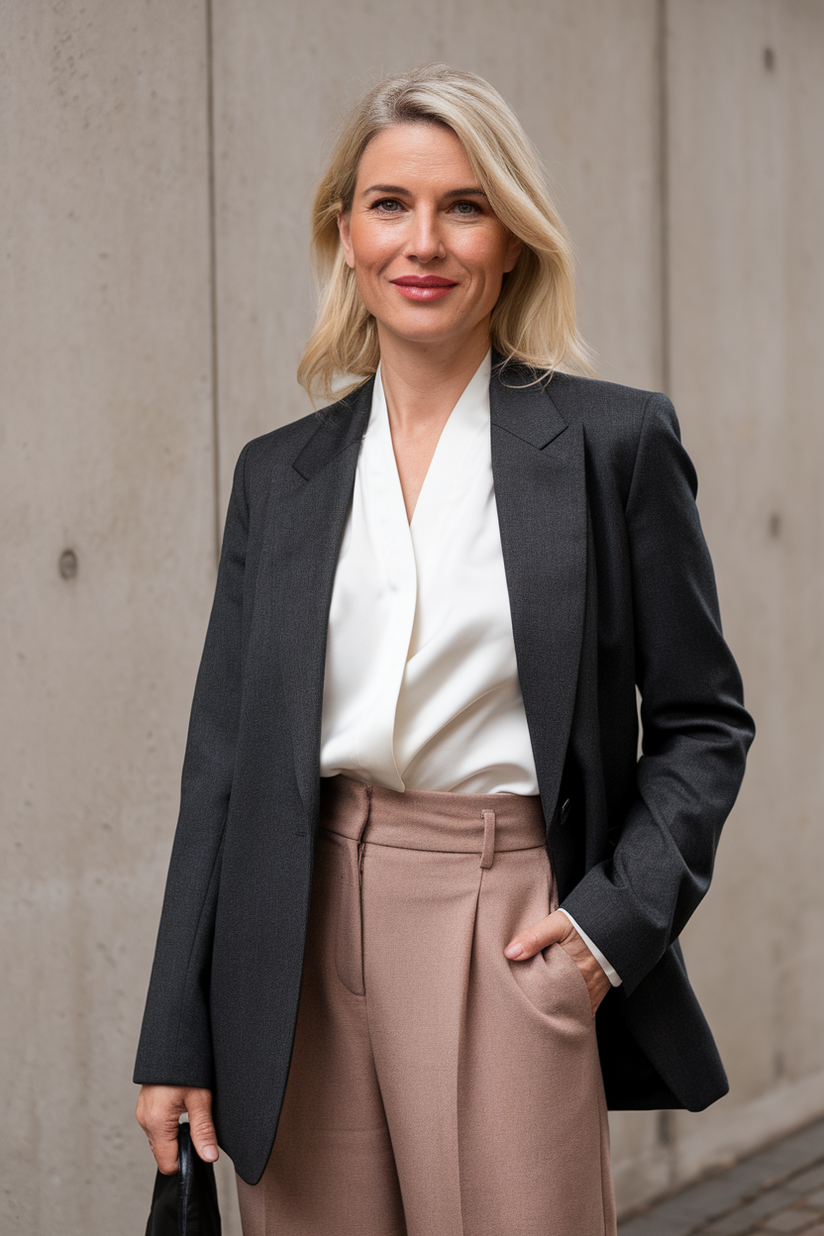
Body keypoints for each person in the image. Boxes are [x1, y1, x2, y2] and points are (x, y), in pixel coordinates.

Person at [135, 64, 754, 1236]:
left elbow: (700, 724)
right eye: (388, 205)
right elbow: (219, 766)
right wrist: (175, 1031)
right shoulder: (280, 476)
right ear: (344, 234)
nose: (423, 242)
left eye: (463, 206)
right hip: (296, 928)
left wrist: (603, 931)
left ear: (510, 239)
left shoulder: (612, 445)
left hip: (505, 916)